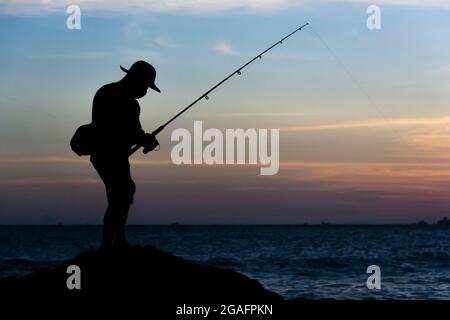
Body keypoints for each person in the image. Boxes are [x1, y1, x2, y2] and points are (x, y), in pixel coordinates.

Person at [90, 60, 160, 249]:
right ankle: (108, 245)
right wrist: (146, 140)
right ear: (136, 79)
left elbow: (130, 131)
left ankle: (117, 240)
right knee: (120, 196)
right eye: (146, 86)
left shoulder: (105, 91)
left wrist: (143, 139)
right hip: (110, 155)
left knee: (122, 193)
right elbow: (132, 132)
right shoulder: (127, 101)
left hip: (104, 154)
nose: (146, 91)